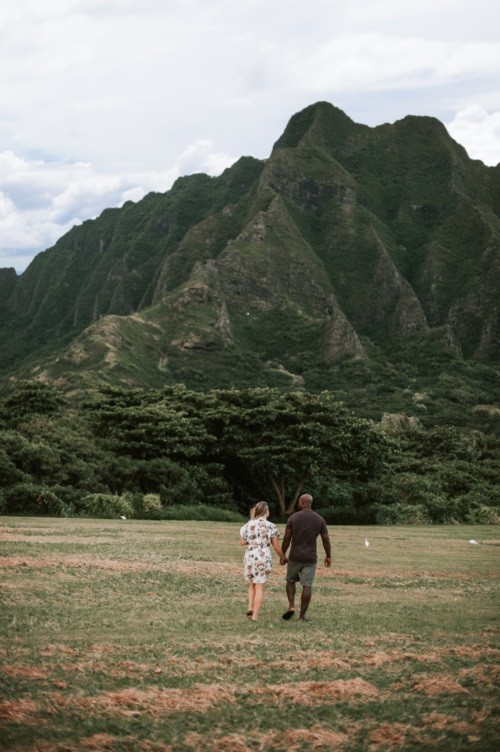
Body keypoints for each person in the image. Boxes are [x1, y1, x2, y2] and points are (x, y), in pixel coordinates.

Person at [281, 493, 331, 622]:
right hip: (310, 558)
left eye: (299, 501)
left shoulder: (293, 518)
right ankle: (302, 617)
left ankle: (292, 606)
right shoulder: (320, 519)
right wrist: (328, 555)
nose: (298, 503)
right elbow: (326, 540)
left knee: (290, 581)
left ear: (303, 502)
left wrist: (282, 555)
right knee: (307, 586)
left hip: (295, 556)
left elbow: (287, 538)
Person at [240, 501, 287, 621]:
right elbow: (276, 546)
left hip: (250, 555)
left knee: (252, 583)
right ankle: (255, 615)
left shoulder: (247, 525)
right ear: (266, 512)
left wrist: (252, 540)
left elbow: (242, 542)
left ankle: (250, 606)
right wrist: (282, 557)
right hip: (263, 556)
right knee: (260, 586)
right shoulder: (270, 526)